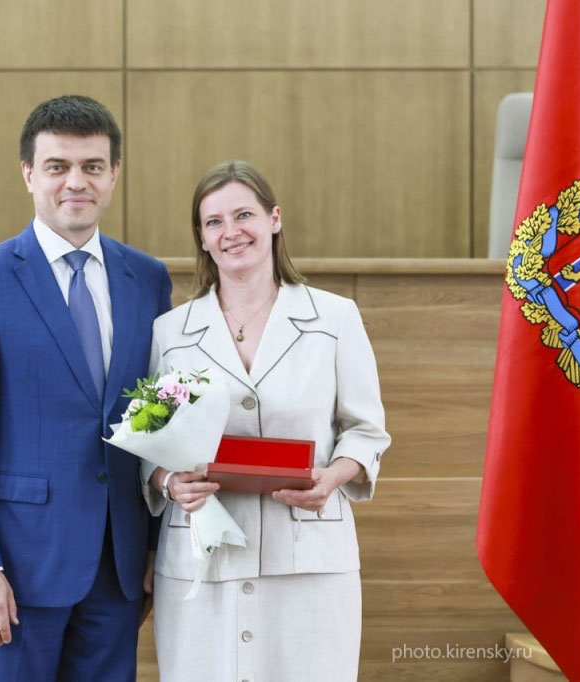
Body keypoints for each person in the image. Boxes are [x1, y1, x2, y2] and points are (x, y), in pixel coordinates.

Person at [0, 95, 172, 681]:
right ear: (28, 174)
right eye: (58, 166)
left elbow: (158, 417)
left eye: (92, 166)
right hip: (16, 570)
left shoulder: (148, 278)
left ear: (114, 174)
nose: (76, 182)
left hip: (118, 568)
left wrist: (152, 548)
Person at [142, 161, 390, 681]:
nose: (230, 232)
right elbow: (149, 444)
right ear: (201, 238)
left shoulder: (335, 318)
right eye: (214, 222)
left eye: (244, 215)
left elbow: (366, 430)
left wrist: (333, 477)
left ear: (274, 219)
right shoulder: (170, 331)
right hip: (203, 557)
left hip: (309, 559)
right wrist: (167, 481)